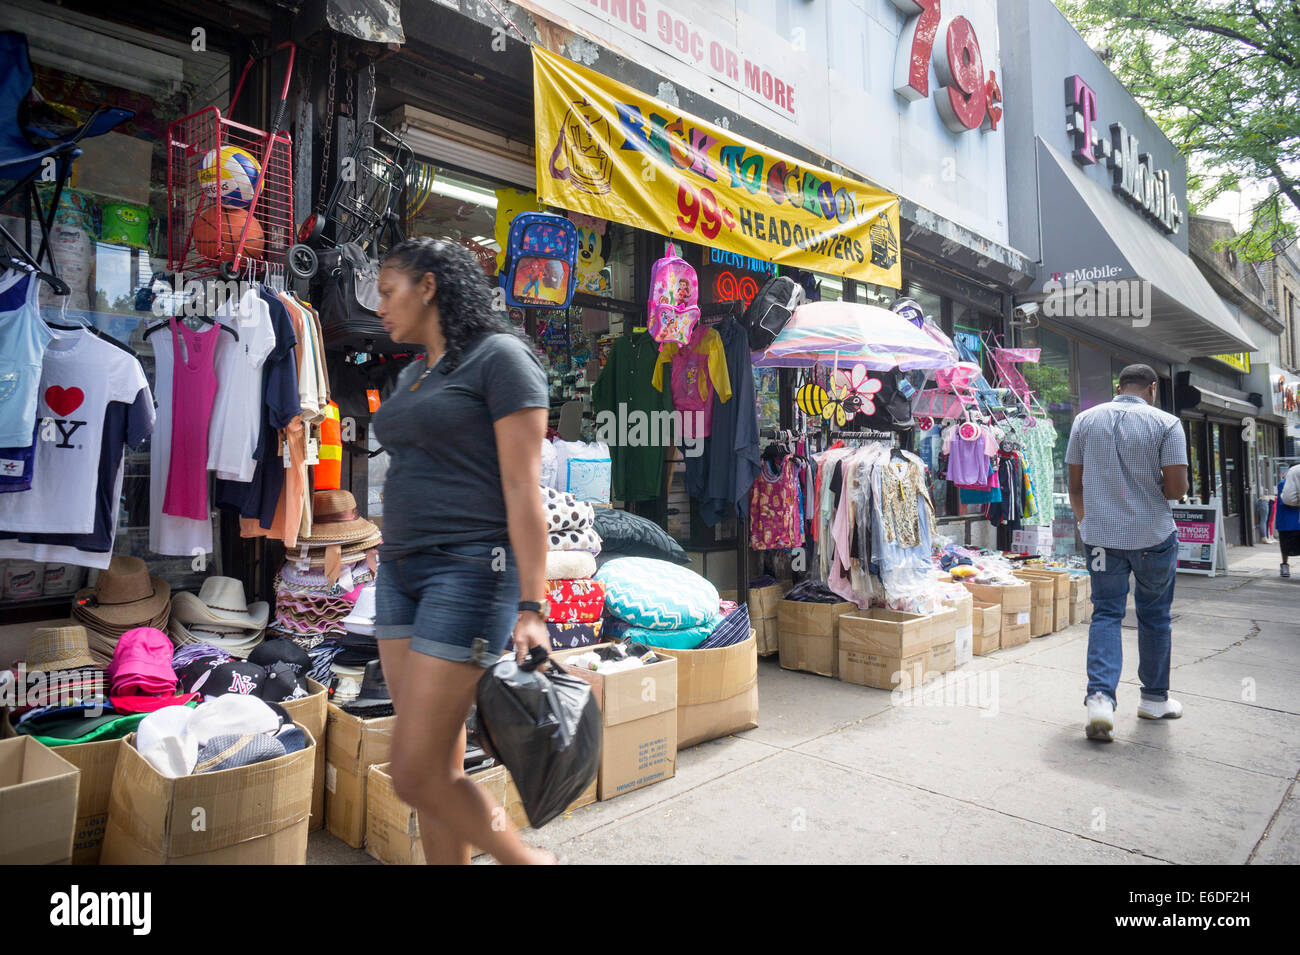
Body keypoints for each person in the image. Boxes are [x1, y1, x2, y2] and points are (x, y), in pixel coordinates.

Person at [372, 237, 555, 865]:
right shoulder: (412, 373)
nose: (381, 309)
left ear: (428, 285)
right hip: (399, 572)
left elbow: (522, 489)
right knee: (435, 765)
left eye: (388, 292)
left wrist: (534, 606)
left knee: (412, 771)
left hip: (473, 568)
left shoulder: (501, 359)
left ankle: (533, 863)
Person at [1065, 364, 1190, 741]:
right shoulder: (1167, 424)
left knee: (1106, 614)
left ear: (1118, 386)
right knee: (1154, 618)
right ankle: (1153, 700)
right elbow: (1175, 491)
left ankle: (1101, 700)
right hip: (1153, 537)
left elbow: (1075, 485)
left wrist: (1087, 524)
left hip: (1102, 537)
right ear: (1152, 388)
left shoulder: (1085, 421)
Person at [1277, 463, 1300, 577]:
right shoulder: (1283, 483)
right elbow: (1287, 500)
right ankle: (1284, 565)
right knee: (1285, 544)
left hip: (1292, 520)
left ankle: (1285, 566)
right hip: (1288, 520)